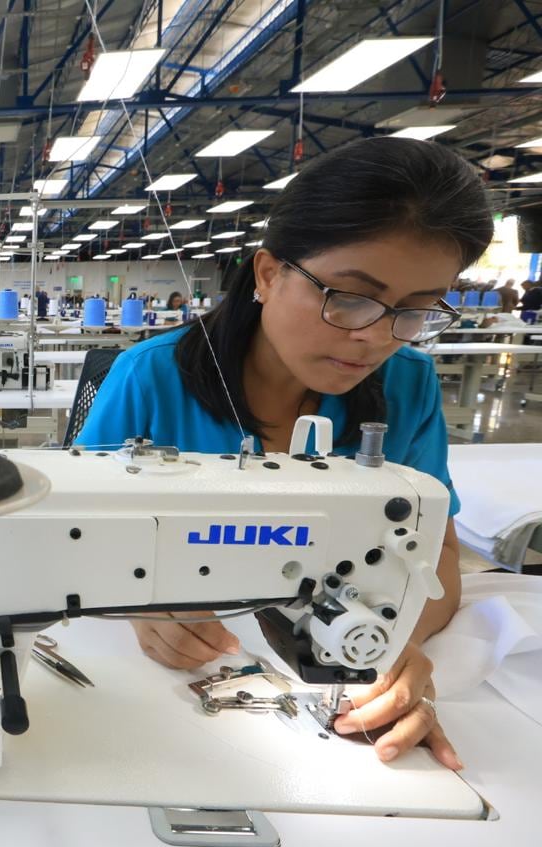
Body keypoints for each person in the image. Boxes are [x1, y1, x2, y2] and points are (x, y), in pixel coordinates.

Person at [76, 137, 492, 771]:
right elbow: (77, 536)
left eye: (413, 311)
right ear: (268, 275)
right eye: (349, 297)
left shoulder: (408, 384)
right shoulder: (148, 378)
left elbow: (435, 552)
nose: (375, 337)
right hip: (159, 684)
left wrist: (391, 641)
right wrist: (138, 606)